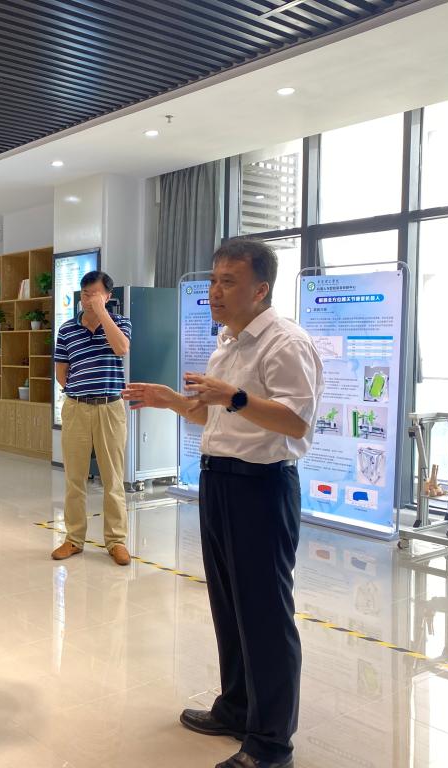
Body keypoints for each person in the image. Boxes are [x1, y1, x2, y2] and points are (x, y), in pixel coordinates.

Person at [123, 238, 324, 768]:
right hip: (220, 483)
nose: (214, 291)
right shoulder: (228, 342)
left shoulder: (285, 343)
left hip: (261, 487)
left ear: (260, 289)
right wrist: (172, 400)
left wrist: (232, 396)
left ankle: (271, 744)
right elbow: (214, 416)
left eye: (228, 282)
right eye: (213, 280)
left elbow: (295, 421)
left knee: (265, 615)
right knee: (229, 606)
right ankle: (236, 708)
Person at [51, 270, 132, 566]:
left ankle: (116, 541)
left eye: (95, 295)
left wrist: (103, 314)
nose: (88, 300)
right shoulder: (67, 329)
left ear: (108, 296)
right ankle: (74, 538)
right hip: (76, 407)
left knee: (113, 479)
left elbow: (121, 348)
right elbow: (61, 372)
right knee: (75, 478)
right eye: (85, 295)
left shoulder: (121, 323)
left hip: (110, 407)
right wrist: (78, 392)